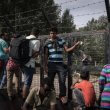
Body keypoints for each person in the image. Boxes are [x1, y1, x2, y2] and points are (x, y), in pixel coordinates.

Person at [44, 27, 80, 103]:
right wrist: (45, 65)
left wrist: (75, 46)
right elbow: (46, 55)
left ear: (56, 33)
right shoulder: (47, 42)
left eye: (54, 33)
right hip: (51, 64)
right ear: (49, 34)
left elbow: (67, 50)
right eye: (51, 33)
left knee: (62, 81)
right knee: (49, 81)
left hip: (60, 65)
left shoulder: (61, 40)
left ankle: (62, 96)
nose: (52, 34)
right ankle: (49, 95)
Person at [22, 27, 40, 101]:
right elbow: (34, 54)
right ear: (37, 34)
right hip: (30, 64)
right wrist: (38, 54)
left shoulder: (25, 38)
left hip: (23, 63)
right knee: (27, 83)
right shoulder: (36, 40)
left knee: (25, 80)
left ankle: (24, 95)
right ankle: (25, 100)